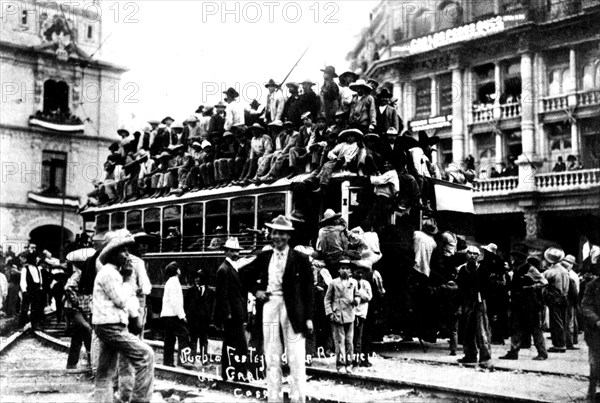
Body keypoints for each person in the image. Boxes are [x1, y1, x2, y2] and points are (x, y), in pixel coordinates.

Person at [241, 215, 314, 403]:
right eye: (274, 233)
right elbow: (242, 273)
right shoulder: (265, 257)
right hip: (271, 306)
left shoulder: (301, 259)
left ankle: (298, 399)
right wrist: (256, 290)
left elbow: (308, 290)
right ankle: (274, 399)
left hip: (294, 311)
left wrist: (309, 317)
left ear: (289, 236)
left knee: (296, 358)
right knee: (272, 357)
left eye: (281, 233)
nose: (277, 237)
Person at [92, 233, 154, 403]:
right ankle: (139, 400)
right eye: (124, 252)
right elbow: (121, 300)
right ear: (112, 254)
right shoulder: (109, 274)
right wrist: (129, 279)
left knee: (105, 371)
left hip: (109, 326)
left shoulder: (112, 272)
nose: (128, 255)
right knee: (146, 356)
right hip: (111, 327)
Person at [499, 244, 548, 361]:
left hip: (530, 303)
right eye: (515, 256)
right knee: (516, 327)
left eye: (519, 256)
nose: (516, 258)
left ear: (524, 257)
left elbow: (544, 282)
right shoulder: (516, 268)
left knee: (535, 328)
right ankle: (513, 351)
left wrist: (532, 286)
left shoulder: (530, 268)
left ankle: (542, 352)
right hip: (517, 302)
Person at [214, 237, 248, 381]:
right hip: (232, 315)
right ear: (226, 252)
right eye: (233, 251)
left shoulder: (231, 267)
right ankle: (236, 374)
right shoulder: (224, 269)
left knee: (233, 344)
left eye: (237, 251)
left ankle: (231, 374)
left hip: (236, 313)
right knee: (237, 345)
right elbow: (222, 294)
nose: (236, 253)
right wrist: (227, 313)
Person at [456, 245, 493, 368]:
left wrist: (480, 296)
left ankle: (485, 358)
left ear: (478, 256)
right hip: (467, 303)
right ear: (466, 255)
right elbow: (460, 286)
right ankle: (470, 355)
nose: (472, 256)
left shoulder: (483, 269)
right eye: (470, 253)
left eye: (475, 254)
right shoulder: (462, 270)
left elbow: (487, 287)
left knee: (482, 331)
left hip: (479, 302)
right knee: (467, 330)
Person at [324, 260, 360, 373]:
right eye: (342, 268)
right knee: (339, 341)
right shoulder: (333, 283)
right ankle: (340, 365)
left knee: (349, 341)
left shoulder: (354, 282)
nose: (345, 270)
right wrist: (330, 313)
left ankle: (349, 363)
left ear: (350, 271)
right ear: (338, 270)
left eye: (347, 268)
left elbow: (358, 294)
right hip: (337, 315)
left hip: (350, 314)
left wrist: (356, 301)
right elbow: (327, 299)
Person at [64, 248, 95, 369]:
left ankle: (72, 363)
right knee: (87, 330)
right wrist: (78, 302)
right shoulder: (78, 274)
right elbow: (68, 288)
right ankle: (91, 361)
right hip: (73, 309)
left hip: (84, 309)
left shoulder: (89, 275)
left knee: (78, 336)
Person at [160, 261, 192, 368]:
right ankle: (183, 360)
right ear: (177, 270)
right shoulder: (174, 282)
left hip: (167, 315)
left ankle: (167, 362)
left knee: (170, 338)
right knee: (184, 334)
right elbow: (176, 301)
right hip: (173, 315)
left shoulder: (170, 281)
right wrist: (182, 316)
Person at [543, 247, 570, 353]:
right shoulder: (565, 271)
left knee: (555, 322)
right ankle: (563, 343)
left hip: (554, 298)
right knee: (563, 321)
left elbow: (542, 282)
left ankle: (559, 345)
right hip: (564, 298)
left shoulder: (550, 272)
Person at [581, 262, 600, 400]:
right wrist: (597, 320)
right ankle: (591, 393)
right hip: (596, 333)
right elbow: (585, 306)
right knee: (595, 365)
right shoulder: (593, 285)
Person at [185, 269, 214, 358]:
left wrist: (210, 318)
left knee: (204, 340)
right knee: (193, 339)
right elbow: (186, 304)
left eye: (199, 277)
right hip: (193, 319)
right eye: (196, 277)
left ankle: (204, 358)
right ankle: (192, 358)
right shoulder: (191, 291)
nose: (196, 279)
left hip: (204, 320)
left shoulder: (210, 292)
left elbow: (212, 306)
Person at [352, 265, 372, 368]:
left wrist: (359, 293)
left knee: (360, 337)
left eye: (361, 273)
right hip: (352, 312)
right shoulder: (351, 282)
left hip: (362, 313)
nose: (359, 275)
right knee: (353, 338)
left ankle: (360, 359)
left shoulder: (365, 283)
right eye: (357, 272)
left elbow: (368, 297)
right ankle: (353, 359)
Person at [19, 252, 44, 329]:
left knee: (35, 308)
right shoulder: (25, 269)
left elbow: (40, 278)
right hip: (28, 290)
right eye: (34, 259)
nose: (36, 260)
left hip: (36, 290)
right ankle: (21, 325)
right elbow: (23, 281)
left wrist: (40, 287)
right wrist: (24, 290)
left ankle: (34, 324)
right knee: (25, 308)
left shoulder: (37, 268)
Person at [562, 254, 580, 350]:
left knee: (569, 322)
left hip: (569, 300)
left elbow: (575, 291)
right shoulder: (572, 275)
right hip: (571, 301)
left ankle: (570, 341)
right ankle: (572, 340)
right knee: (571, 321)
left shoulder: (571, 276)